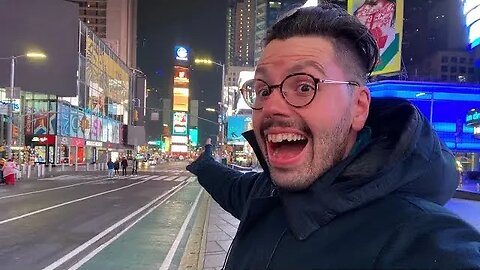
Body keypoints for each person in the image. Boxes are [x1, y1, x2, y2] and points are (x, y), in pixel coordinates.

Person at [187, 3, 480, 269]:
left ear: (358, 107)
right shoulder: (267, 194)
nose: (271, 107)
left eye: (304, 86)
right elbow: (230, 185)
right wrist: (202, 163)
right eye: (263, 89)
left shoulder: (417, 238)